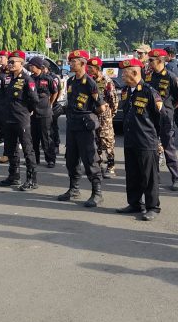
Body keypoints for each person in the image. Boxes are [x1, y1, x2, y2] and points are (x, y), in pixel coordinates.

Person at [115, 58, 163, 221]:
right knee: (132, 174)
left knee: (149, 176)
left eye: (124, 72)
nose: (121, 76)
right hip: (130, 140)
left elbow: (161, 120)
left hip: (146, 140)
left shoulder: (150, 92)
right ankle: (135, 203)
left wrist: (159, 141)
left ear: (135, 73)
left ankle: (152, 207)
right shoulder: (127, 91)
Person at [58, 50, 104, 207]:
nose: (70, 63)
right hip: (72, 125)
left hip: (85, 126)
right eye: (70, 61)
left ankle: (97, 192)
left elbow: (101, 107)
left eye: (73, 61)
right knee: (71, 159)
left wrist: (89, 116)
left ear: (83, 63)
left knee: (90, 159)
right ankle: (73, 189)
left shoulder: (90, 82)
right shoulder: (71, 81)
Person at [0, 51, 39, 190]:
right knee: (11, 149)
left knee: (27, 149)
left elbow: (34, 100)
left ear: (21, 63)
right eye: (8, 62)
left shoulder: (27, 79)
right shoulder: (8, 78)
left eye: (12, 62)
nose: (9, 64)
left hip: (21, 118)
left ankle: (31, 179)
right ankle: (13, 176)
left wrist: (28, 111)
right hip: (9, 118)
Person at [146, 49, 178, 190]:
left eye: (151, 60)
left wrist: (166, 110)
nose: (148, 63)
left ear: (160, 60)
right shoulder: (148, 77)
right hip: (150, 118)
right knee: (152, 148)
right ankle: (155, 178)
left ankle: (176, 178)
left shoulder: (171, 77)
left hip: (165, 118)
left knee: (168, 148)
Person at [86, 57, 119, 178]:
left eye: (90, 68)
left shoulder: (107, 81)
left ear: (97, 68)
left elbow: (114, 100)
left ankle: (111, 166)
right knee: (95, 141)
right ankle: (98, 165)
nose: (87, 69)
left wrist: (109, 114)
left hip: (105, 116)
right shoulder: (89, 80)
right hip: (92, 114)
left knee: (107, 141)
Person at [29, 57, 59, 169]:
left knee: (46, 137)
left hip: (45, 112)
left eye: (32, 65)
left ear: (38, 67)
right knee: (33, 137)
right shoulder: (30, 78)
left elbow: (55, 92)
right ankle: (35, 159)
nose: (30, 67)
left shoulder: (48, 79)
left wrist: (50, 103)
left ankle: (50, 159)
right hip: (33, 112)